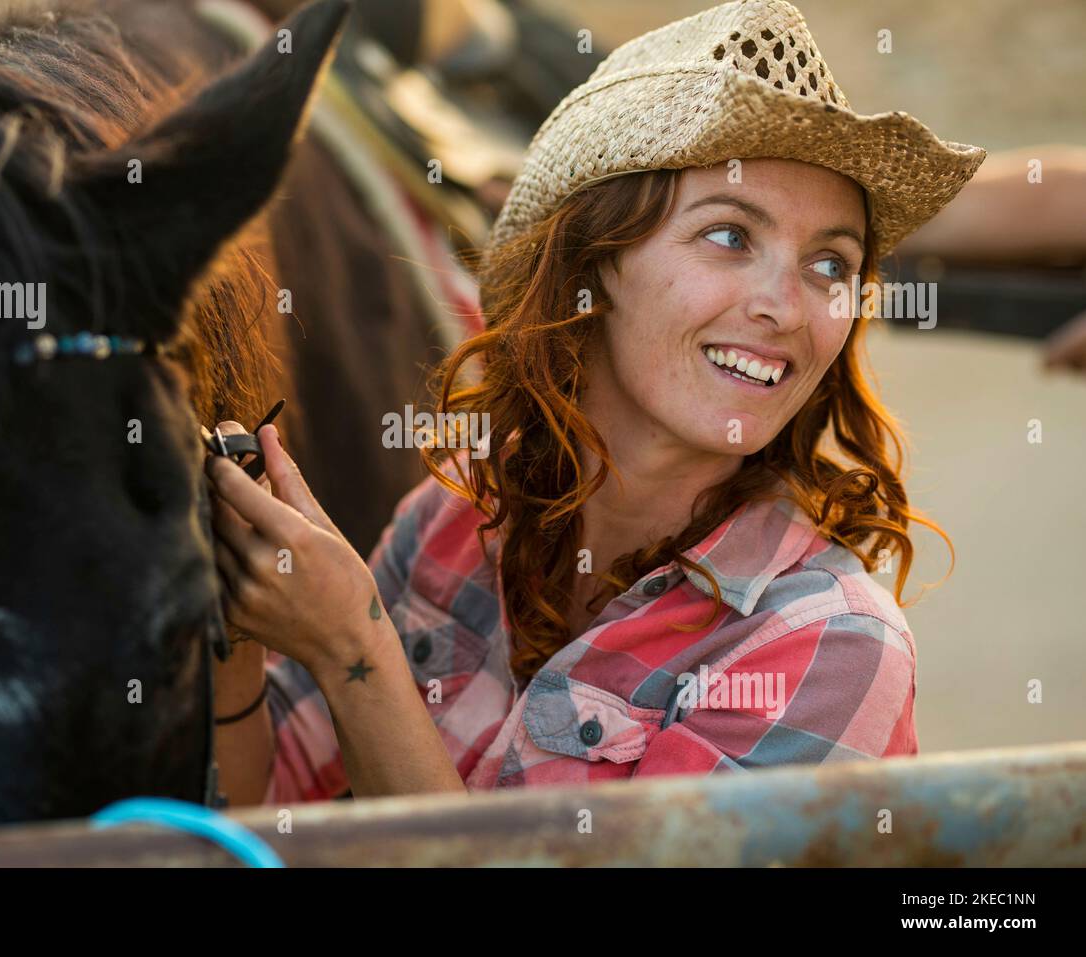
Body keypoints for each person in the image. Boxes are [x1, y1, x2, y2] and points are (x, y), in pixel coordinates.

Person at [205, 0, 986, 805]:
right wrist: (234, 600)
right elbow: (258, 812)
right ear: (594, 265)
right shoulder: (458, 514)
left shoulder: (828, 644)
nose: (788, 307)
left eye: (830, 263)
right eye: (730, 237)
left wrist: (351, 648)